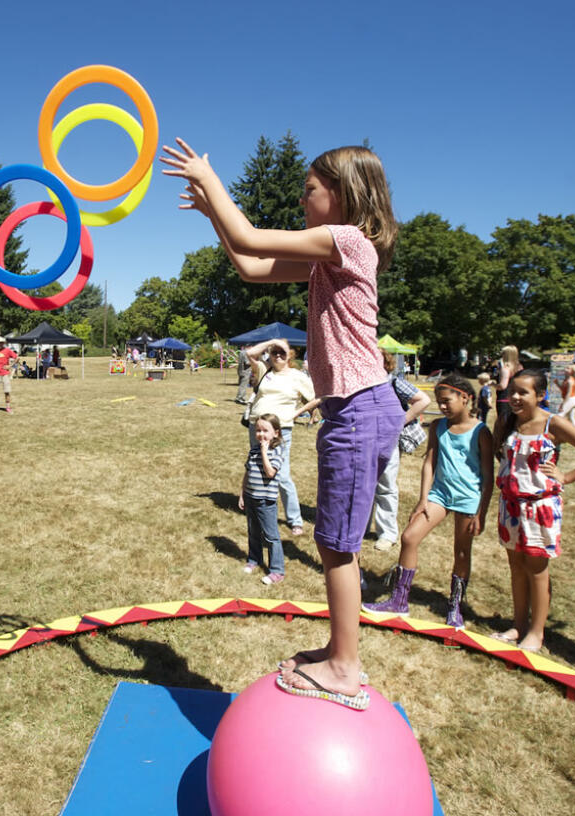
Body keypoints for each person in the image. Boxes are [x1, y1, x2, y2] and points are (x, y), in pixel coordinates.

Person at [163, 140, 403, 710]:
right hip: (355, 408)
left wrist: (210, 179)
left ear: (342, 195)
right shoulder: (331, 253)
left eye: (310, 189)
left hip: (361, 407)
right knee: (332, 540)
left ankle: (346, 667)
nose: (302, 198)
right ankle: (337, 651)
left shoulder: (347, 240)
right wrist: (211, 217)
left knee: (337, 546)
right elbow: (249, 265)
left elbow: (250, 236)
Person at [492, 369, 575, 652]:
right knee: (516, 567)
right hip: (510, 505)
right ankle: (518, 624)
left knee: (536, 568)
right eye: (512, 392)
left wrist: (566, 476)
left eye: (524, 392)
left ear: (541, 395)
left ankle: (536, 633)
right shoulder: (508, 421)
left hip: (540, 507)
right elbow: (500, 452)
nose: (516, 397)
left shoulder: (553, 424)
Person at [366, 375, 493, 628]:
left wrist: (482, 513)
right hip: (439, 495)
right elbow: (429, 463)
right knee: (409, 537)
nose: (442, 406)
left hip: (469, 499)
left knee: (461, 551)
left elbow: (489, 475)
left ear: (465, 398)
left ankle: (455, 606)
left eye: (447, 401)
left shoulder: (481, 432)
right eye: (439, 402)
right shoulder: (437, 427)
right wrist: (423, 499)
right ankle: (399, 601)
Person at [244, 338, 318, 537]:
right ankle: (258, 511)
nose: (277, 356)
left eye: (282, 352)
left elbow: (317, 397)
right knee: (256, 468)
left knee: (281, 474)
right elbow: (249, 354)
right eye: (274, 352)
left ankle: (295, 519)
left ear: (290, 355)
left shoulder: (297, 376)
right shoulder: (264, 370)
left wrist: (296, 413)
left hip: (280, 430)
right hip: (257, 427)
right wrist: (273, 341)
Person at [367, 355, 431, 552]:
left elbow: (423, 399)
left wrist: (399, 422)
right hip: (366, 438)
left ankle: (387, 534)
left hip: (387, 440)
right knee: (365, 484)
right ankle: (362, 527)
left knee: (385, 485)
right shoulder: (364, 383)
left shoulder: (393, 382)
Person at [240, 413, 287, 585]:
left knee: (270, 535)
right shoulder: (254, 449)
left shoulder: (277, 449)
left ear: (276, 433)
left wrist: (264, 452)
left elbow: (270, 472)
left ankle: (277, 570)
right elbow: (247, 472)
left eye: (265, 431)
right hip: (251, 497)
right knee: (253, 532)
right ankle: (254, 559)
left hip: (265, 501)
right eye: (258, 430)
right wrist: (242, 493)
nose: (261, 434)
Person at [0, 336, 18, 413]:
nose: (0, 344)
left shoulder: (7, 350)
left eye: (1, 343)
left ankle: (8, 407)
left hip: (5, 374)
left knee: (7, 391)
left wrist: (10, 366)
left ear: (3, 343)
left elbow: (17, 358)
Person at [494, 345, 522, 426]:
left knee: (503, 424)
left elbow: (502, 386)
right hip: (516, 398)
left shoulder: (505, 368)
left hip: (504, 399)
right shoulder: (520, 367)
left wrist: (493, 384)